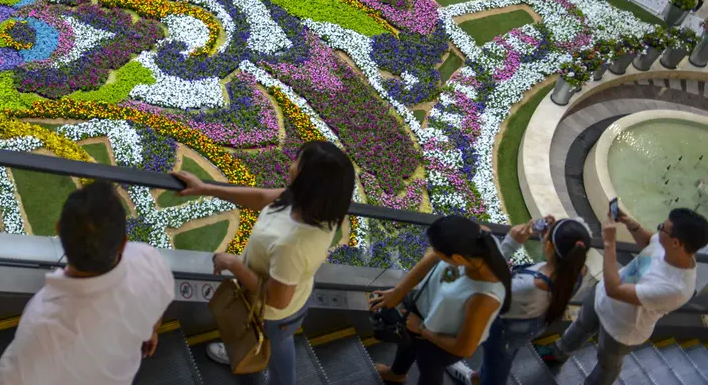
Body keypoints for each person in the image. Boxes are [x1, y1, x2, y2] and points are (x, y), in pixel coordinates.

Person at [172, 141, 356, 385]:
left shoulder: (293, 244)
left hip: (273, 316)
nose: (290, 167)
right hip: (283, 307)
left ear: (309, 182)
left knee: (278, 353)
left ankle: (261, 364)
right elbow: (261, 197)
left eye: (296, 164)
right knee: (276, 343)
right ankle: (245, 349)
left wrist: (234, 265)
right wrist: (206, 188)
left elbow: (276, 299)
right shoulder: (312, 206)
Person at [0, 181, 174, 384]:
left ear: (59, 229)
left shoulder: (41, 323)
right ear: (123, 242)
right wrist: (152, 330)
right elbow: (159, 303)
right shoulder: (149, 262)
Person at [538, 208, 707, 385]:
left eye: (662, 228)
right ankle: (557, 354)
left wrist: (610, 242)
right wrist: (632, 225)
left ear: (676, 243)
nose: (658, 231)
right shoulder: (668, 243)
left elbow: (615, 290)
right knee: (580, 326)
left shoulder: (676, 288)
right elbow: (650, 242)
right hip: (601, 296)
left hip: (622, 329)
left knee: (607, 365)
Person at [448, 217, 591, 385]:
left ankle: (483, 380)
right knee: (501, 360)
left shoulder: (526, 286)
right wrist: (548, 236)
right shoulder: (578, 272)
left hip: (504, 331)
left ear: (550, 246)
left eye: (548, 236)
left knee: (497, 369)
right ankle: (478, 378)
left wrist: (510, 243)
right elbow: (560, 258)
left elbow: (485, 284)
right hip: (530, 326)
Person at [370, 216, 511, 385]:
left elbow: (465, 348)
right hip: (422, 315)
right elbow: (433, 257)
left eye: (438, 252)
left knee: (429, 369)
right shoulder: (478, 238)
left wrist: (421, 328)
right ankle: (397, 374)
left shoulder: (483, 297)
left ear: (457, 259)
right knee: (407, 344)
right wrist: (399, 292)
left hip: (439, 341)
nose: (432, 253)